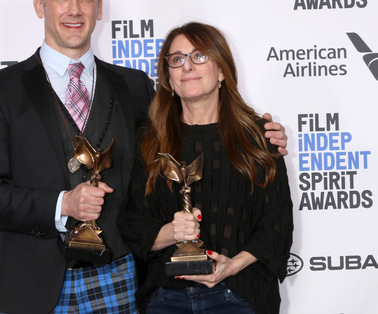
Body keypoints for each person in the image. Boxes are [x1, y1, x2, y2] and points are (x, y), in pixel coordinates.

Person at [0, 0, 289, 314]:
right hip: (32, 283)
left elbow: (182, 136)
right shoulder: (0, 89)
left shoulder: (133, 86)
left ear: (99, 8)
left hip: (120, 277)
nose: (74, 9)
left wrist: (260, 134)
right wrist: (62, 204)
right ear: (40, 4)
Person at [119, 22, 293, 314]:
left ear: (222, 71)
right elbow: (133, 225)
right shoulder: (147, 142)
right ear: (169, 79)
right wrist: (173, 232)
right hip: (165, 297)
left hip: (239, 293)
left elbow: (276, 225)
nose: (187, 66)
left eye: (199, 56)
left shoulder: (259, 138)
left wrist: (230, 266)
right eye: (177, 59)